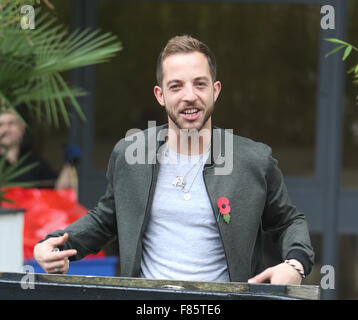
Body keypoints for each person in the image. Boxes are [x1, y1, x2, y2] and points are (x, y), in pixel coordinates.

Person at [34, 35, 314, 285]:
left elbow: (288, 220)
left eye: (199, 84)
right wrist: (55, 245)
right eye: (176, 86)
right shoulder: (131, 154)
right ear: (161, 95)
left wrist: (295, 265)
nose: (189, 96)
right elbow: (107, 218)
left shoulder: (253, 160)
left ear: (215, 90)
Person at [0, 109, 58, 187]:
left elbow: (58, 187)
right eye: (1, 124)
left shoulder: (33, 161)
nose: (6, 129)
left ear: (22, 127)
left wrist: (70, 165)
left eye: (11, 123)